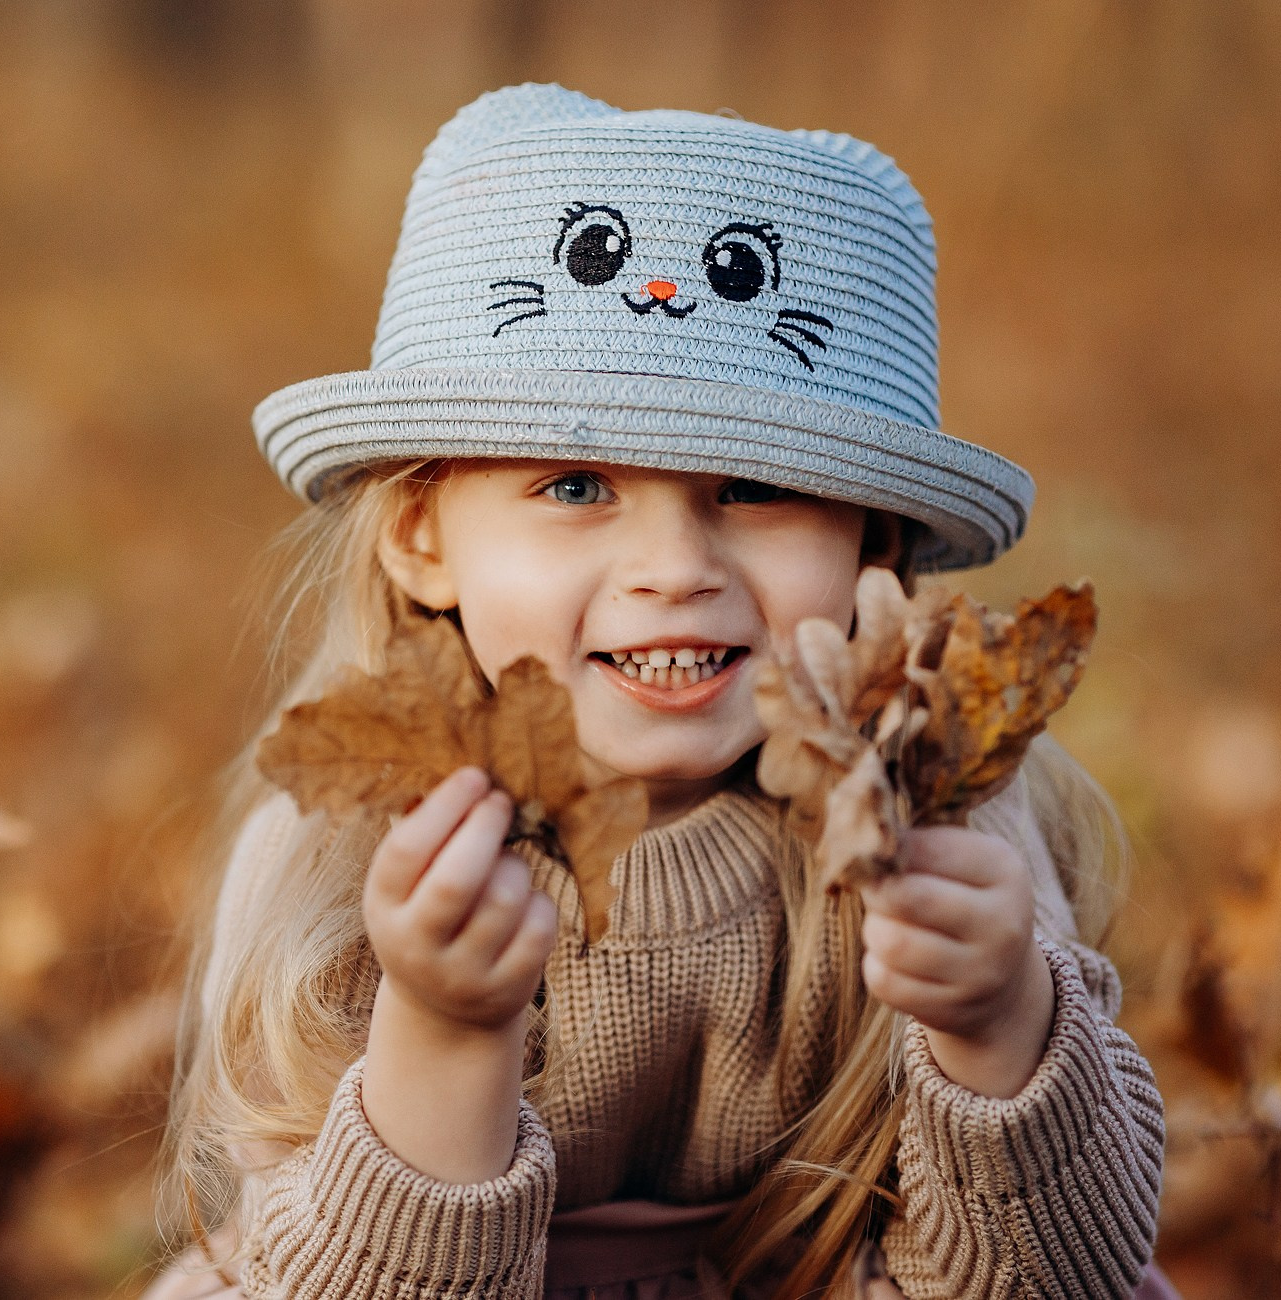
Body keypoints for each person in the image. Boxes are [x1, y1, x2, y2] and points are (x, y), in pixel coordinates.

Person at [145, 83, 1174, 1300]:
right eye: (577, 485)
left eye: (752, 487)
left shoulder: (932, 829)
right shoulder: (349, 847)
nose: (677, 571)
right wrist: (444, 1031)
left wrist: (1003, 1029)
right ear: (421, 532)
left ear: (874, 549)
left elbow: (1070, 1279)